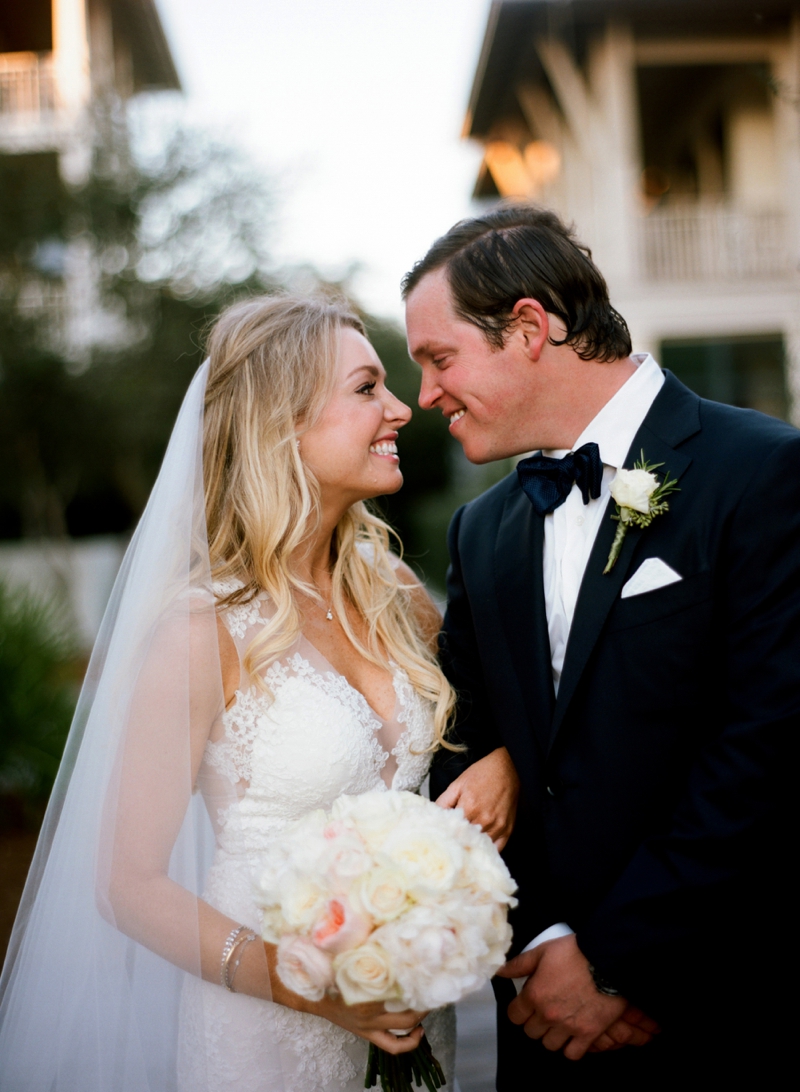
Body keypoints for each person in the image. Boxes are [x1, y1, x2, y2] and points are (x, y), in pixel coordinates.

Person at [0, 294, 516, 1092]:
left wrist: (502, 766)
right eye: (367, 387)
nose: (401, 407)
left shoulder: (398, 593)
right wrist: (303, 985)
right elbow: (127, 885)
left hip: (413, 1023)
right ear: (282, 422)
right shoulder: (201, 630)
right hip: (267, 1035)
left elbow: (479, 748)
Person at [403, 205, 798, 1087]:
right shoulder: (484, 531)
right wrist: (544, 941)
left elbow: (769, 744)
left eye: (438, 358)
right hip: (544, 1024)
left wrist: (615, 961)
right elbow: (463, 746)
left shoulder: (762, 471)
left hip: (719, 1001)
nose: (424, 394)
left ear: (530, 329)